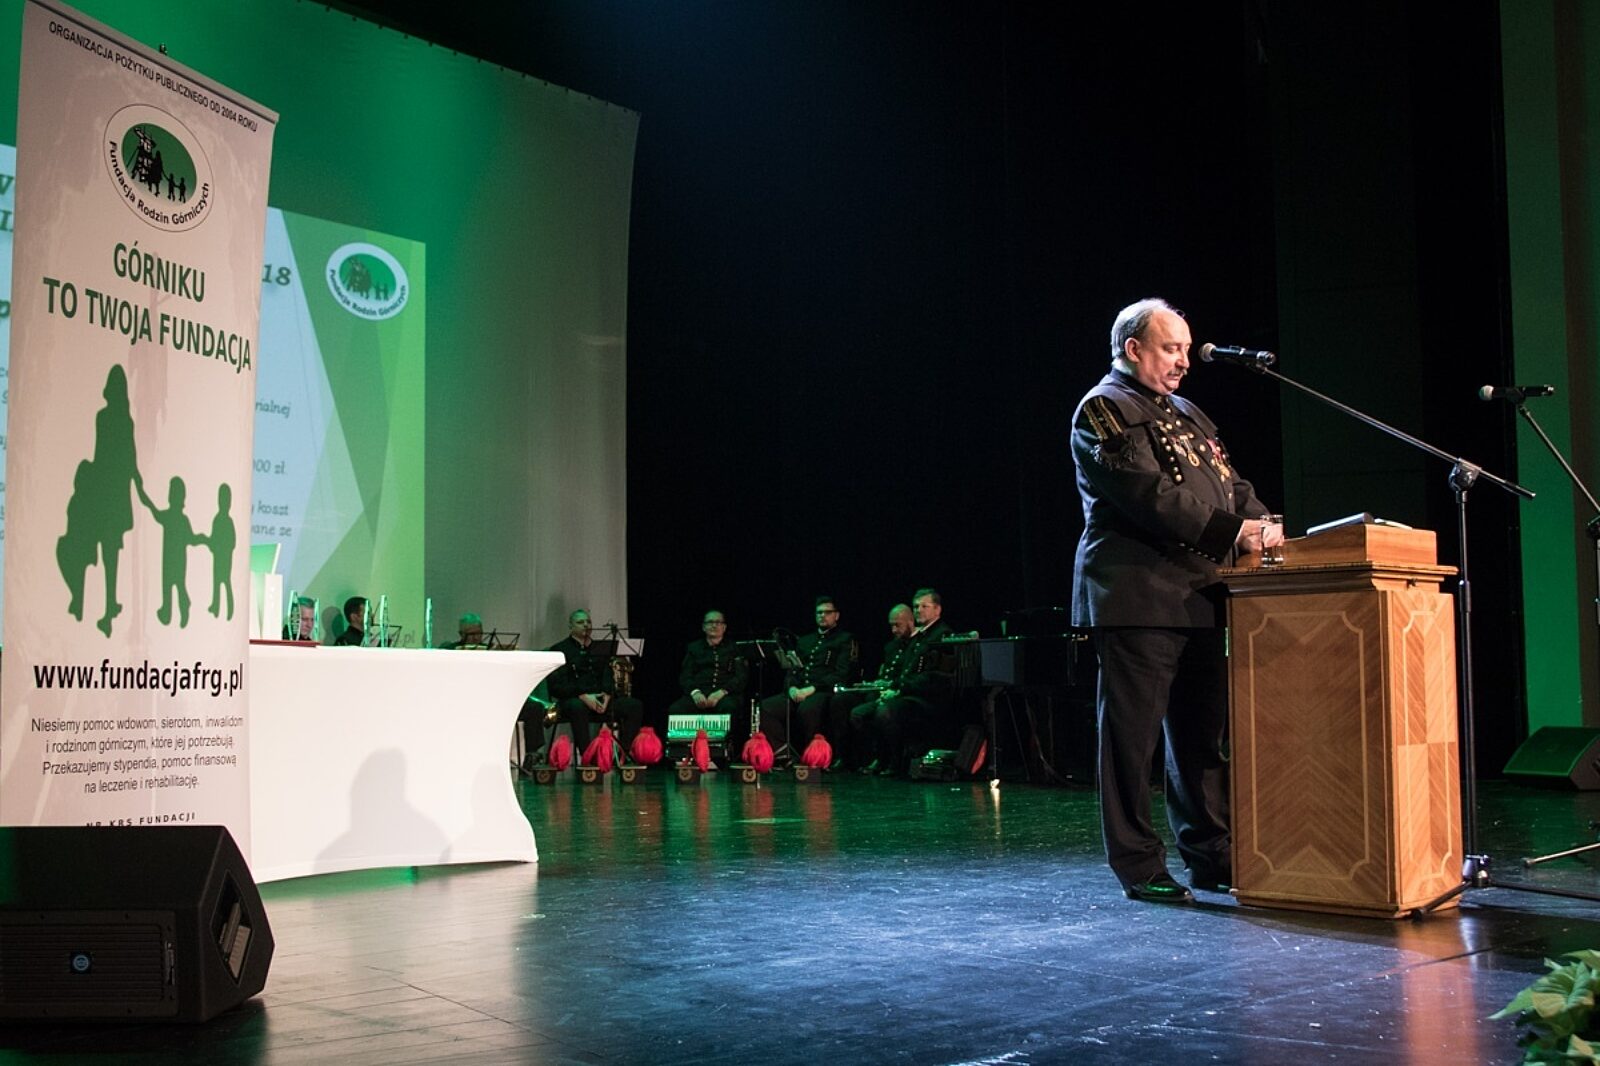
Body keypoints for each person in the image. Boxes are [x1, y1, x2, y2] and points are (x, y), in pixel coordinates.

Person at [1071, 297, 1282, 904]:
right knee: (1132, 743)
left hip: (1200, 593)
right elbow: (1148, 494)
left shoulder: (1187, 412)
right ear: (1133, 348)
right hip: (1136, 597)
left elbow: (1231, 485)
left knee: (1201, 739)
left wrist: (1267, 526)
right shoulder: (1103, 408)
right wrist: (1235, 532)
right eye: (1171, 348)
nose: (1184, 361)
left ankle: (1211, 855)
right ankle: (1139, 865)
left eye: (1187, 349)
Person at [852, 588, 954, 776]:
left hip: (928, 698)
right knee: (859, 713)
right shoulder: (919, 638)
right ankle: (880, 756)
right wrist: (892, 687)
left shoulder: (942, 635)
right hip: (910, 693)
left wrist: (900, 689)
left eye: (924, 606)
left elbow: (932, 677)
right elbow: (906, 671)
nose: (919, 610)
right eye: (916, 606)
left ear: (937, 609)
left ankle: (896, 761)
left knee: (885, 710)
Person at [756, 596, 856, 759]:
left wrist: (812, 689)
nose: (822, 616)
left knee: (807, 709)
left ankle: (814, 757)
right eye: (819, 613)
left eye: (827, 612)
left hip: (823, 691)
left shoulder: (844, 639)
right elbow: (793, 669)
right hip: (800, 690)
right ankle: (783, 753)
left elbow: (841, 673)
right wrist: (792, 688)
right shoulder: (805, 640)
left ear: (836, 615)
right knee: (765, 708)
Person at [543, 608, 645, 761]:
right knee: (577, 707)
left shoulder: (601, 648)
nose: (586, 625)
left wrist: (607, 695)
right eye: (580, 622)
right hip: (574, 700)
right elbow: (556, 686)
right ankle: (587, 757)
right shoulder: (559, 649)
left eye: (588, 622)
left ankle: (623, 753)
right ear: (570, 626)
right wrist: (583, 696)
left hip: (600, 700)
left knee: (634, 706)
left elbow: (608, 676)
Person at [840, 603, 918, 771]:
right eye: (891, 625)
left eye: (898, 625)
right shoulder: (891, 646)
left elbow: (908, 676)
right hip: (886, 691)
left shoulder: (916, 645)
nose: (894, 630)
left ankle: (891, 759)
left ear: (910, 622)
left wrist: (891, 685)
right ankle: (872, 756)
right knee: (852, 709)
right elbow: (887, 672)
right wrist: (878, 682)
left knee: (875, 711)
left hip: (903, 693)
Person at [666, 610, 748, 760]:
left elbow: (741, 677)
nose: (714, 625)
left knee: (729, 707)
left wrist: (721, 692)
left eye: (718, 622)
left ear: (724, 627)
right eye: (710, 622)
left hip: (724, 694)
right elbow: (685, 676)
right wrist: (695, 692)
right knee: (676, 709)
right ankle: (682, 753)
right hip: (699, 693)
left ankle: (723, 753)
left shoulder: (734, 648)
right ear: (703, 627)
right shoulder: (693, 648)